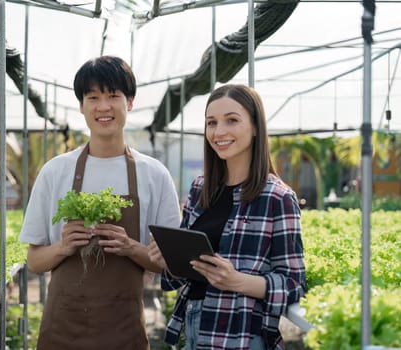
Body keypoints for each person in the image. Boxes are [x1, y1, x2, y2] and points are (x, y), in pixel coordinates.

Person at [18, 55, 181, 350]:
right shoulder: (56, 171)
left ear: (129, 102)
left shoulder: (154, 175)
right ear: (81, 106)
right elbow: (34, 260)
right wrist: (63, 247)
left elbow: (169, 264)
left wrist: (131, 247)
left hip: (124, 329)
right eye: (93, 97)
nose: (103, 106)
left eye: (113, 96)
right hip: (63, 329)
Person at [148, 84, 306, 350]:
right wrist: (169, 260)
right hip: (193, 330)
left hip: (242, 337)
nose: (219, 131)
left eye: (231, 120)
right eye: (212, 123)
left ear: (255, 127)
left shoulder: (277, 198)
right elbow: (182, 276)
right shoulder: (200, 188)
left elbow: (294, 285)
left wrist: (238, 281)